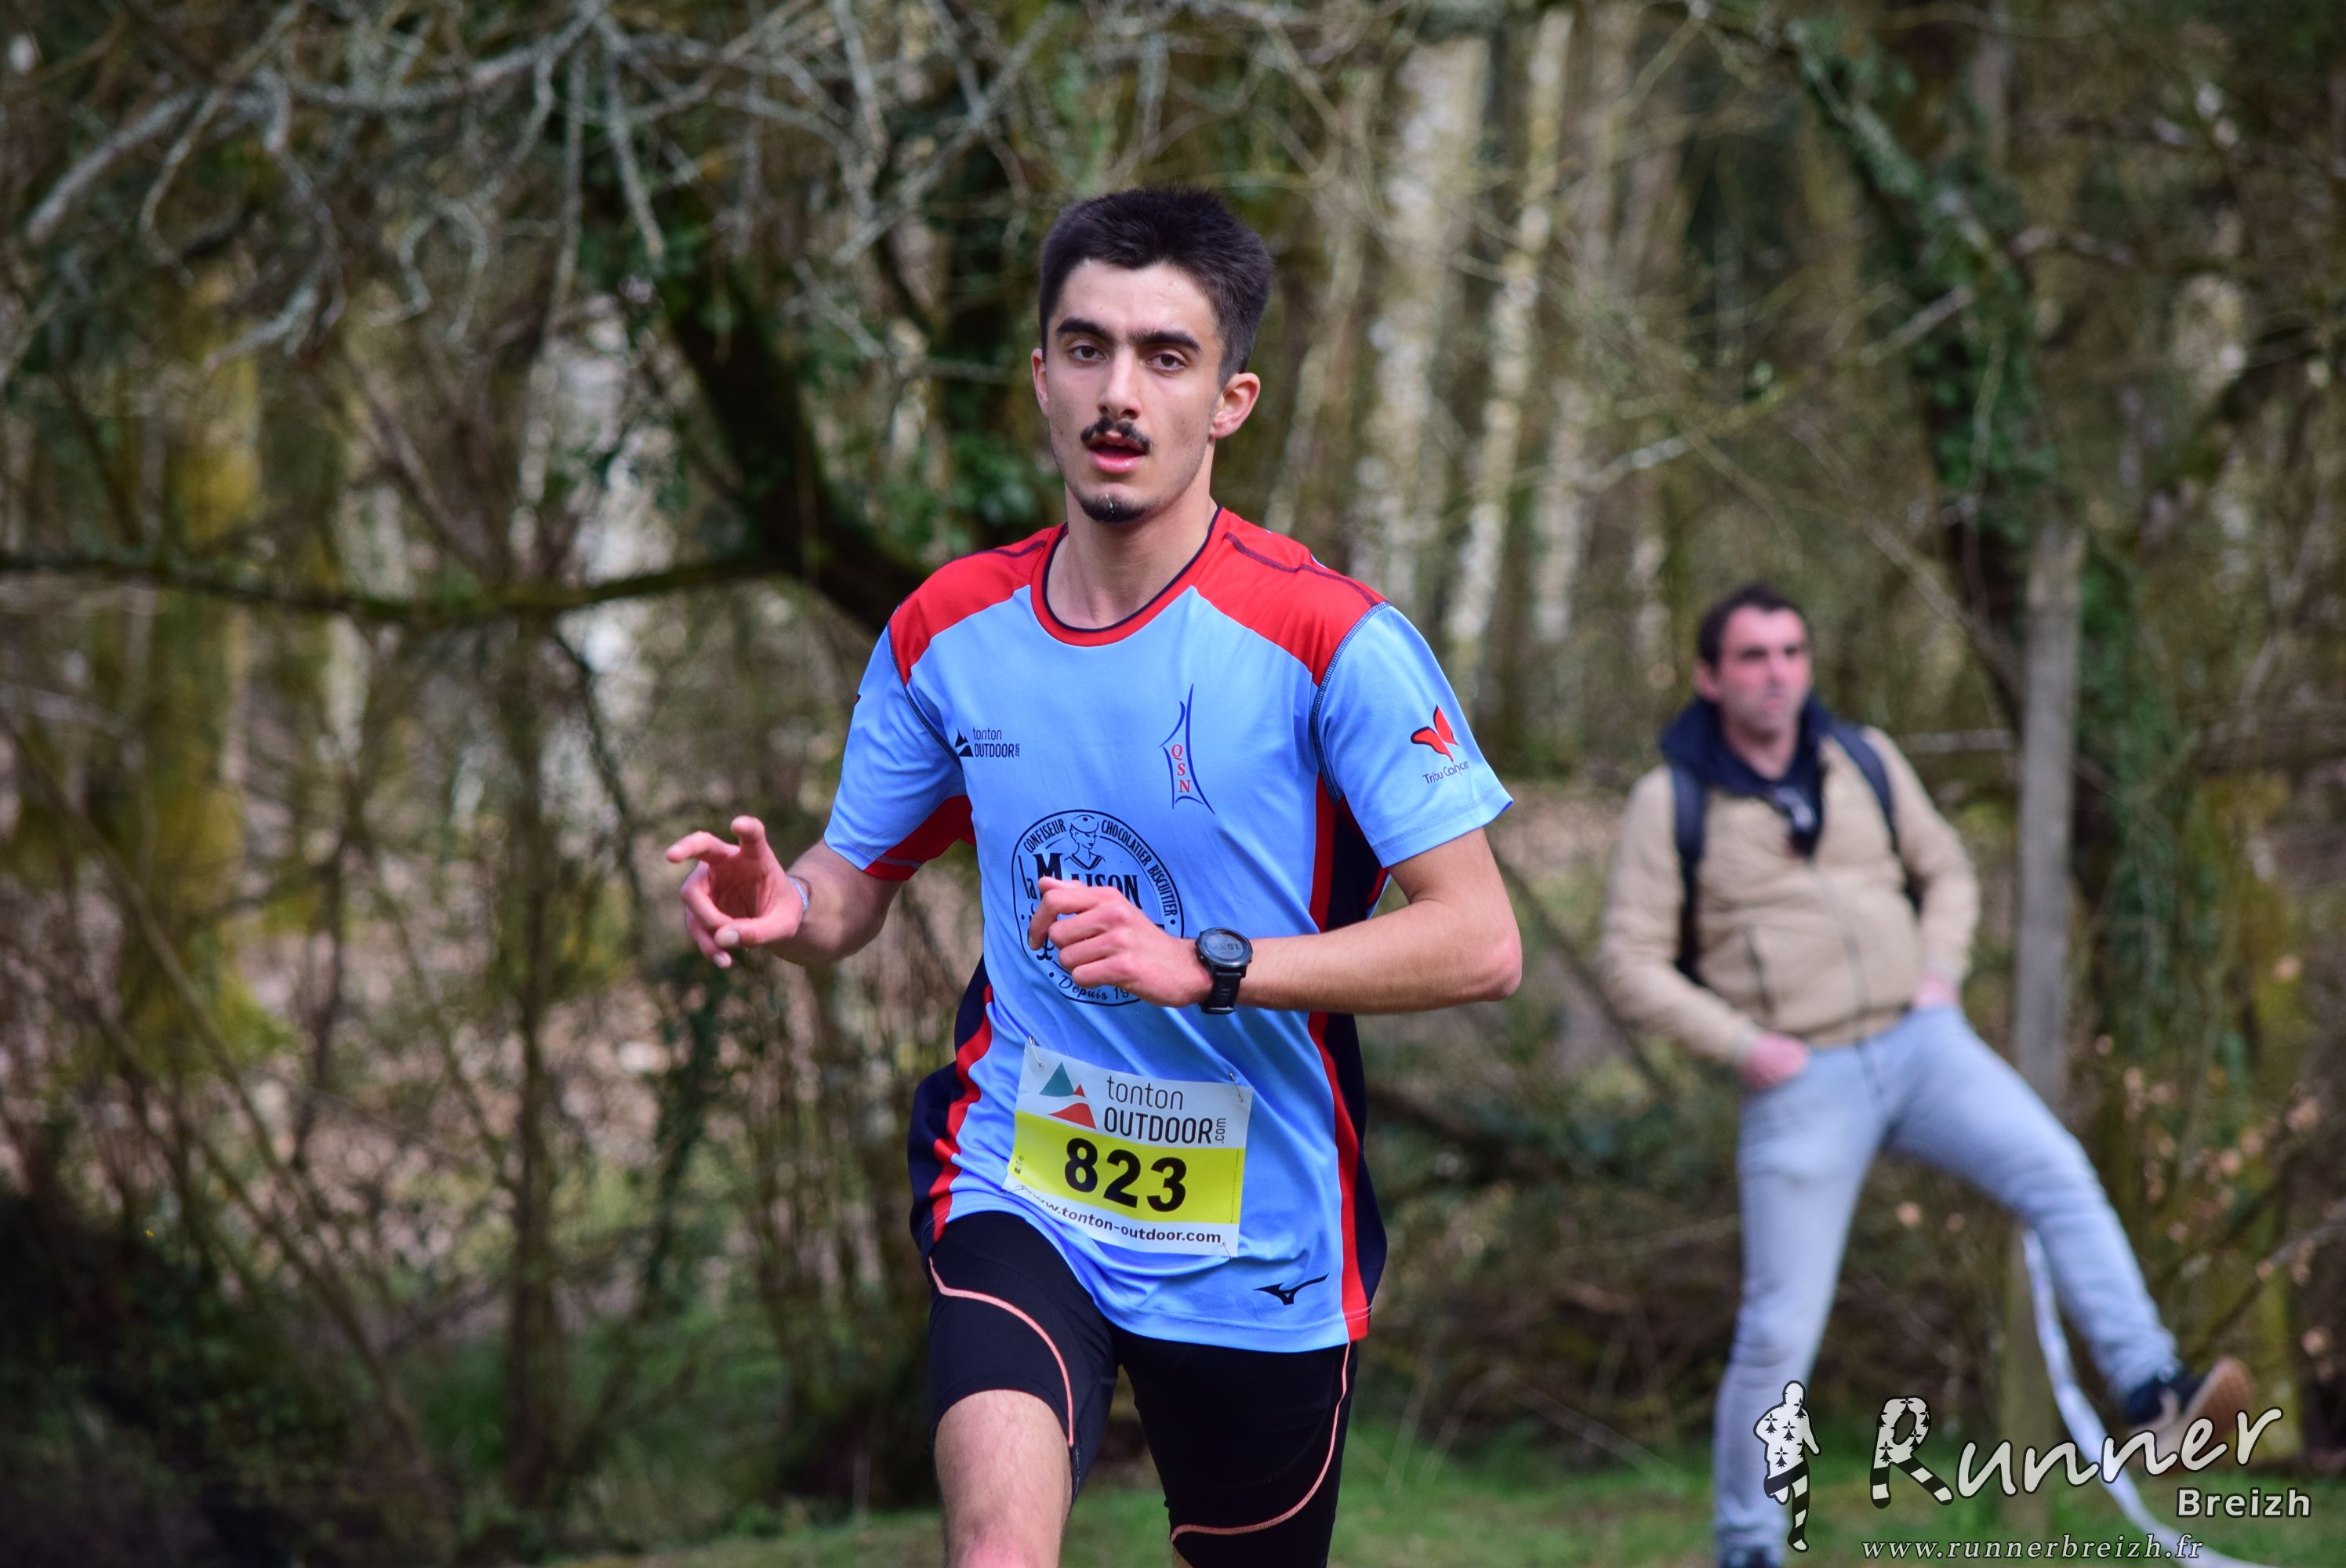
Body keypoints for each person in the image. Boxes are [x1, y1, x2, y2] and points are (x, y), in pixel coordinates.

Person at [666, 187, 1520, 1568]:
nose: (1119, 391)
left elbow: (1479, 941)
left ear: (1230, 401)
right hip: (1025, 1172)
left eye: (1165, 357)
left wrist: (1211, 966)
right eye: (1086, 348)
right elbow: (848, 888)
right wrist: (789, 907)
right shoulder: (949, 629)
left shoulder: (1332, 641)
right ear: (1040, 378)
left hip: (1260, 1229)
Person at [1596, 583, 2250, 1568]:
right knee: (1777, 1331)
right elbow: (1629, 960)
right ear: (1709, 676)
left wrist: (1940, 972)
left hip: (1921, 1044)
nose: (1776, 673)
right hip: (1798, 1077)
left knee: (2057, 1171)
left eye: (1790, 651)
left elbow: (1945, 868)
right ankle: (1748, 1544)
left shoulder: (1863, 757)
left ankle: (2153, 1390)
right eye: (1752, 655)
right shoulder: (1671, 799)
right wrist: (1741, 1044)